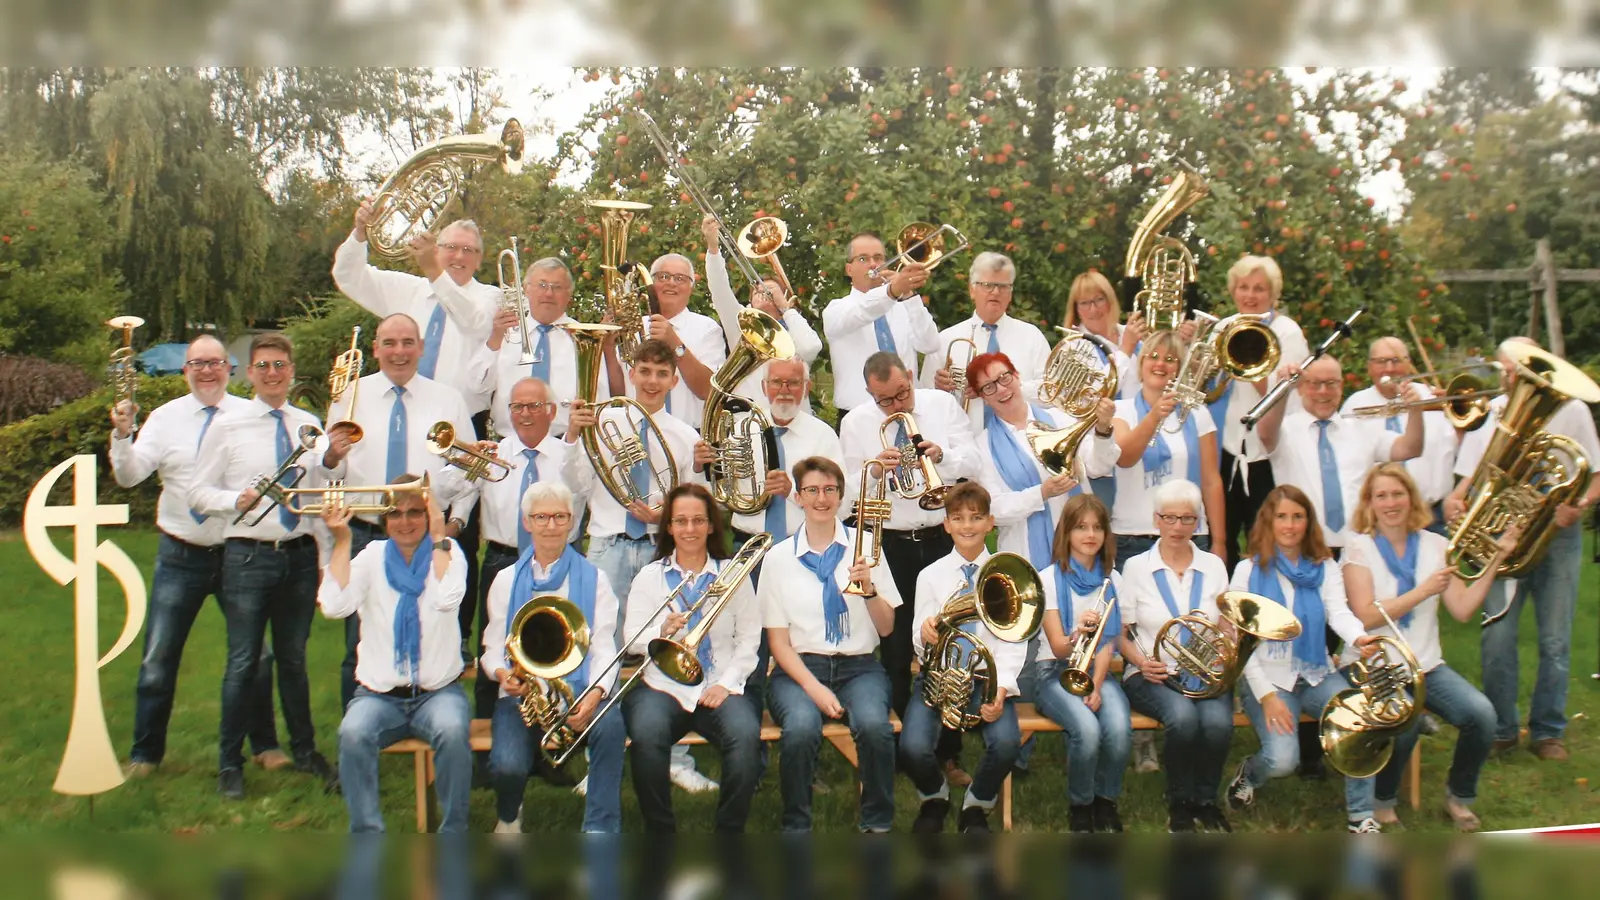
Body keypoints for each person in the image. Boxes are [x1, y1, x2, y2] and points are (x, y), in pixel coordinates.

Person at [109, 335, 282, 777]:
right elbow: (129, 477)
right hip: (180, 554)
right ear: (185, 371)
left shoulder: (250, 415)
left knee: (257, 658)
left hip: (238, 555)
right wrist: (123, 436)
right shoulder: (165, 419)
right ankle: (146, 754)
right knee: (157, 658)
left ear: (231, 369)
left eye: (216, 363)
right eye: (197, 364)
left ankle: (264, 746)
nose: (207, 371)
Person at [189, 333, 349, 799]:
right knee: (242, 663)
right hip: (247, 555)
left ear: (291, 370)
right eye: (264, 366)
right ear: (250, 373)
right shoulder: (228, 424)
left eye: (281, 365)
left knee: (295, 662)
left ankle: (305, 751)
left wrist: (335, 459)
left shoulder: (308, 424)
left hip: (298, 556)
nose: (273, 373)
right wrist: (231, 499)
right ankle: (228, 762)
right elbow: (197, 491)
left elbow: (324, 483)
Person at [1445, 336, 1600, 761]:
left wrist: (1578, 504)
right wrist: (1457, 500)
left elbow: (1596, 473)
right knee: (1497, 637)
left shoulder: (1572, 409)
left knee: (1555, 640)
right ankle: (1502, 728)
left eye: (1518, 370)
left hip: (1555, 533)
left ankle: (1548, 731)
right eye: (1507, 370)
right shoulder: (1493, 411)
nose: (1511, 377)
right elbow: (1471, 476)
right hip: (1500, 538)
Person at [1342, 463, 1515, 831]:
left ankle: (1459, 796)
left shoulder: (1437, 546)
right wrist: (1422, 592)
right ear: (1369, 503)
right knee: (1404, 723)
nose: (1391, 503)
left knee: (1482, 715)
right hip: (1373, 665)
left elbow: (1463, 609)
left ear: (1411, 498)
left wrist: (1497, 559)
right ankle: (1384, 803)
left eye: (1398, 494)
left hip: (1425, 665)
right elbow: (1366, 616)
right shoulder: (1358, 549)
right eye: (1381, 496)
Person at [324, 313, 477, 711]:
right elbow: (334, 472)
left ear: (421, 348)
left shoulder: (448, 399)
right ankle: (356, 735)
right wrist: (332, 456)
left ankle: (429, 712)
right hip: (364, 530)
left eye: (408, 342)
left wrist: (455, 521)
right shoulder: (348, 396)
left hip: (425, 533)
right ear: (375, 348)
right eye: (389, 343)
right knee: (356, 642)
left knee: (435, 629)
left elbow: (469, 468)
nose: (399, 352)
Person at [838, 351, 979, 784]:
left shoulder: (941, 405)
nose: (897, 405)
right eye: (885, 400)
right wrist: (875, 471)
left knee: (950, 643)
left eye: (902, 392)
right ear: (868, 394)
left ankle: (948, 754)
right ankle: (903, 749)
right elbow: (850, 494)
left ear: (911, 377)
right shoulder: (856, 423)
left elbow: (973, 463)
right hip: (892, 545)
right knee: (898, 648)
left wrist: (943, 458)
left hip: (941, 539)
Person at [433, 376, 583, 779]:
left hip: (555, 563)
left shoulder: (565, 452)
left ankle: (549, 750)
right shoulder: (494, 453)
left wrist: (572, 442)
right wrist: (465, 458)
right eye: (518, 406)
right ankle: (488, 757)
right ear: (508, 413)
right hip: (502, 562)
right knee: (495, 655)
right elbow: (443, 491)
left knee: (552, 657)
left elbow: (581, 491)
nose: (526, 414)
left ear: (551, 411)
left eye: (534, 406)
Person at [1225, 485, 1383, 833]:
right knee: (1282, 761)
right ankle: (1249, 774)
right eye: (1282, 516)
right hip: (1267, 678)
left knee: (1360, 726)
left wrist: (1359, 637)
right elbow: (1242, 645)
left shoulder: (1324, 566)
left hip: (1316, 672)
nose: (1290, 525)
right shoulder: (1248, 571)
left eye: (1298, 517)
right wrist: (1267, 697)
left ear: (1308, 522)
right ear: (1268, 520)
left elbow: (1337, 612)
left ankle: (1361, 817)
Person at [318, 479, 471, 833]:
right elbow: (334, 605)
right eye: (395, 514)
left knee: (451, 731)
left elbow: (447, 597)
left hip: (438, 694)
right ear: (385, 520)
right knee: (352, 733)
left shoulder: (448, 551)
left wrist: (437, 536)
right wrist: (341, 540)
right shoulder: (370, 557)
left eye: (414, 512)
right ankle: (367, 834)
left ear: (428, 512)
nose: (405, 522)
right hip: (379, 696)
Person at [760, 456, 899, 833]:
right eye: (812, 490)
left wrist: (869, 591)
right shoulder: (777, 559)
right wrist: (814, 689)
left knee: (874, 727)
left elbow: (886, 629)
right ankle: (797, 826)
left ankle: (877, 822)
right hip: (800, 669)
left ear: (840, 495)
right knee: (801, 728)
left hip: (859, 666)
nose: (821, 498)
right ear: (799, 497)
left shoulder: (867, 546)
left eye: (829, 490)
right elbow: (778, 642)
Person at [481, 481, 625, 833]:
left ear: (572, 522)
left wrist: (593, 697)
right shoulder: (504, 580)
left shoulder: (596, 579)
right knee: (507, 767)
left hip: (578, 693)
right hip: (522, 699)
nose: (550, 525)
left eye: (559, 516)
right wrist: (503, 675)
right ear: (526, 522)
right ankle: (510, 815)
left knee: (611, 727)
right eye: (541, 517)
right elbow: (491, 647)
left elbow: (605, 645)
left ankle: (600, 827)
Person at [621, 484, 763, 832]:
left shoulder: (733, 576)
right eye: (680, 521)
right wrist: (661, 631)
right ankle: (660, 830)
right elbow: (632, 640)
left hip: (718, 684)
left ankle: (729, 833)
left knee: (745, 736)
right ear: (668, 526)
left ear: (712, 526)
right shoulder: (650, 577)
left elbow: (749, 640)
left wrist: (727, 685)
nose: (689, 529)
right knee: (646, 733)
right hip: (662, 686)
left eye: (698, 520)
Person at [902, 482, 1024, 833]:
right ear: (946, 525)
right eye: (958, 518)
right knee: (911, 747)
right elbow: (917, 635)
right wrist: (924, 635)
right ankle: (933, 795)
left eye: (976, 518)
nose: (967, 526)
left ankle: (978, 802)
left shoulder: (1005, 575)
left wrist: (1002, 690)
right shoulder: (931, 576)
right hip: (939, 676)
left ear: (991, 523)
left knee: (1005, 744)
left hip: (988, 679)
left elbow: (1014, 640)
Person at [1116, 479, 1235, 833]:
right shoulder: (1136, 568)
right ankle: (1180, 803)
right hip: (1152, 673)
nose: (1178, 527)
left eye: (1187, 519)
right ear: (1156, 520)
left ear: (1198, 523)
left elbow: (1227, 627)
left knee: (1217, 724)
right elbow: (1119, 636)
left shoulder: (1214, 565)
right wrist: (1140, 662)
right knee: (1183, 719)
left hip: (1204, 672)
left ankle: (1206, 801)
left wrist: (1224, 654)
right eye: (1169, 518)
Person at [1023, 494, 1132, 833]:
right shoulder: (1047, 578)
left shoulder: (1112, 580)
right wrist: (1077, 632)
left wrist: (1097, 686)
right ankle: (1081, 805)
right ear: (1066, 532)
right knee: (1086, 730)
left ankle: (1106, 801)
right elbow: (1057, 647)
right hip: (1052, 673)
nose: (1090, 535)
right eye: (1081, 527)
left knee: (1118, 728)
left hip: (1095, 672)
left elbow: (1109, 642)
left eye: (1098, 528)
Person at [332, 203, 498, 415]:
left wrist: (433, 271)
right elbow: (348, 276)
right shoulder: (407, 289)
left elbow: (475, 324)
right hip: (403, 413)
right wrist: (360, 234)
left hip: (462, 420)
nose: (459, 256)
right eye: (451, 248)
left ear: (479, 261)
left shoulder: (489, 296)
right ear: (436, 251)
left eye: (468, 250)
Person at [1256, 354, 1424, 556]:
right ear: (1300, 387)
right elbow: (1264, 434)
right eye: (1314, 383)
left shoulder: (1360, 428)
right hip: (1303, 547)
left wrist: (1415, 411)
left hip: (1359, 548)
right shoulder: (1285, 430)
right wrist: (1283, 388)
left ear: (1341, 386)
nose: (1323, 391)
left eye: (1331, 383)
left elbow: (1409, 448)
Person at [1207, 256, 1312, 570]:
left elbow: (1286, 395)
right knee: (1219, 537)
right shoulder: (1223, 328)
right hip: (1223, 449)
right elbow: (1205, 389)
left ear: (1272, 294)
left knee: (1266, 541)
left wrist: (1250, 361)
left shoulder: (1287, 331)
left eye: (1259, 289)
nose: (1250, 296)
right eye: (1243, 288)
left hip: (1266, 454)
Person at [970, 350, 1117, 571]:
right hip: (1026, 556)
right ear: (984, 398)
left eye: (1004, 377)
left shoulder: (1060, 418)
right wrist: (1041, 493)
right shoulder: (982, 446)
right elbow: (995, 511)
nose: (1001, 388)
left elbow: (1098, 467)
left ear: (1016, 376)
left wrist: (1103, 430)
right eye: (989, 387)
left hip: (1084, 545)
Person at [1109, 331, 1227, 563]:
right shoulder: (1120, 410)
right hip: (1133, 536)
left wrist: (1220, 542)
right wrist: (1154, 416)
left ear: (1181, 369)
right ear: (1141, 364)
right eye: (1153, 356)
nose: (1160, 364)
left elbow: (1211, 481)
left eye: (1170, 359)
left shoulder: (1198, 413)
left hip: (1190, 534)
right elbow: (1125, 458)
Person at [700, 214, 823, 413]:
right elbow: (719, 289)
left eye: (772, 290)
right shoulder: (742, 320)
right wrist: (713, 249)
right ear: (750, 302)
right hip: (751, 420)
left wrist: (786, 309)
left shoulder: (793, 325)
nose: (763, 292)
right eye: (757, 289)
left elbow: (810, 348)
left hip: (795, 417)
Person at [466, 257, 597, 440]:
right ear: (527, 290)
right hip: (509, 445)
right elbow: (477, 387)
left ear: (569, 295)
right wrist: (495, 337)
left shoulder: (585, 337)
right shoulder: (505, 332)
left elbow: (598, 400)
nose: (549, 293)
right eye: (542, 285)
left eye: (557, 287)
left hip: (566, 444)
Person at [921, 252, 1052, 431]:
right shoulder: (946, 340)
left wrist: (995, 388)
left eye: (1003, 286)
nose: (996, 292)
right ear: (972, 290)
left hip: (1022, 440)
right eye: (988, 285)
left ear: (1011, 293)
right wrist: (940, 391)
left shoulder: (1032, 337)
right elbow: (925, 401)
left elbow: (1049, 393)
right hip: (966, 444)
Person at [1339, 336, 1460, 531]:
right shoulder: (1354, 406)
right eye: (1381, 362)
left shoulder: (1432, 397)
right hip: (1378, 517)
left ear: (1409, 364)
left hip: (1432, 516)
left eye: (1396, 361)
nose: (1389, 369)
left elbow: (1459, 449)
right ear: (1369, 367)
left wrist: (1456, 416)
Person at [601, 252, 727, 433]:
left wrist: (674, 342)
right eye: (663, 276)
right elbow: (619, 393)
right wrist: (608, 348)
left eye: (680, 278)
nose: (671, 283)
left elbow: (708, 390)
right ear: (650, 284)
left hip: (689, 437)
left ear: (691, 287)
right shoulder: (630, 326)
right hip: (633, 434)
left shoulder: (708, 328)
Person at [822, 232, 939, 418]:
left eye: (878, 258)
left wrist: (908, 295)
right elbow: (863, 312)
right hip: (858, 416)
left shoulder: (903, 307)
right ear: (849, 269)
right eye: (863, 259)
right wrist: (891, 291)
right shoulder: (837, 309)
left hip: (909, 411)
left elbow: (931, 344)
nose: (873, 265)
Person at [1062, 270, 1145, 396]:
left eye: (1099, 300)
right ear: (1076, 309)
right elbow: (1094, 394)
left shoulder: (1128, 332)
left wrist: (1182, 343)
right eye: (1084, 303)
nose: (1093, 309)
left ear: (1110, 301)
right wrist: (1126, 350)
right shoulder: (1073, 348)